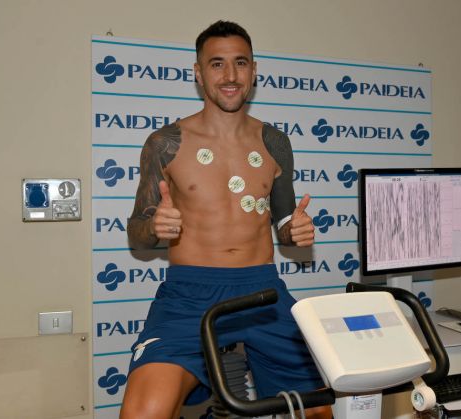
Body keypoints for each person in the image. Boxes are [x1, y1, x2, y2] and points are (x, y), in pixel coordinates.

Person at [120, 21, 330, 418]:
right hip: (188, 296)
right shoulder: (165, 143)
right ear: (199, 73)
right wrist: (155, 227)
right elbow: (138, 235)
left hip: (264, 293)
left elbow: (284, 223)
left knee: (321, 410)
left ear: (254, 70)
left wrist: (293, 229)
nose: (230, 76)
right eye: (217, 64)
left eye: (240, 63)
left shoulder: (274, 141)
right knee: (141, 414)